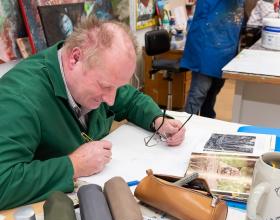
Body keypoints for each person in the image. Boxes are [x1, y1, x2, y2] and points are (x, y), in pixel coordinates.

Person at [0, 16, 186, 210]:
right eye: (105, 86)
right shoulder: (18, 97)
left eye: (117, 87)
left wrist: (157, 119)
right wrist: (73, 165)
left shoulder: (99, 71)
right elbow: (3, 181)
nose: (111, 99)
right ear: (75, 58)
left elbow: (129, 98)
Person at [180, 0, 245, 118]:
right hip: (207, 43)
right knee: (199, 92)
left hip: (226, 43)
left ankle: (206, 122)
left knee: (213, 92)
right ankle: (186, 125)